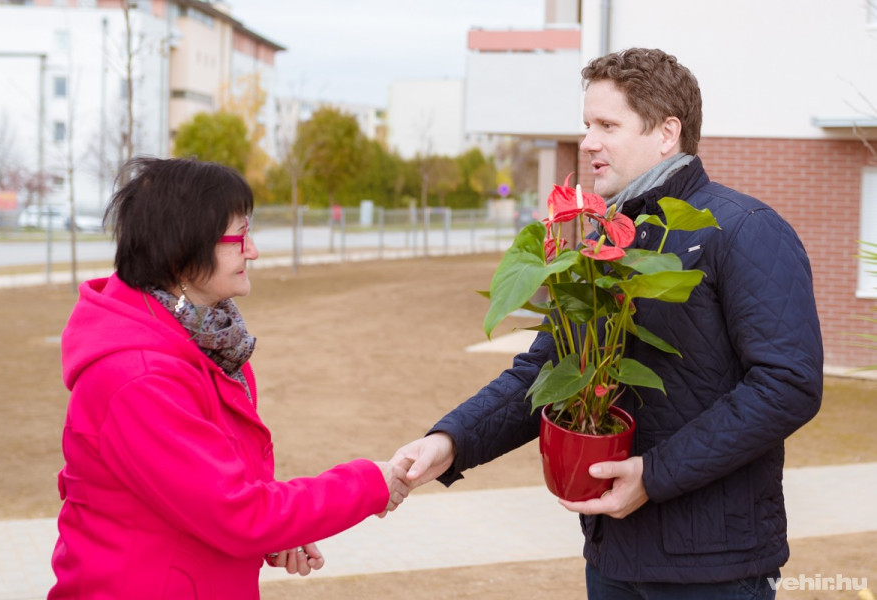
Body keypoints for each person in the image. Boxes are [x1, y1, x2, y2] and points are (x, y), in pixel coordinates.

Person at [391, 48, 823, 599]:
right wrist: (451, 441)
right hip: (614, 557)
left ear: (667, 133)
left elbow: (788, 385)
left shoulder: (744, 230)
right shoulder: (602, 244)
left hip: (714, 567)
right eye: (586, 125)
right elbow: (547, 371)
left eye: (606, 125)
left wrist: (655, 475)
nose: (588, 141)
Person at [49, 157, 410, 599]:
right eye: (240, 237)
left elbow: (207, 492)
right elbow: (235, 512)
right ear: (183, 248)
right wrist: (368, 483)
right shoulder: (138, 376)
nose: (253, 250)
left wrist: (276, 532)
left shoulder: (202, 341)